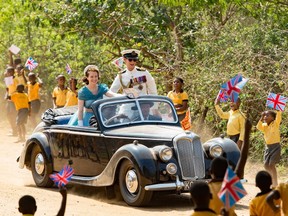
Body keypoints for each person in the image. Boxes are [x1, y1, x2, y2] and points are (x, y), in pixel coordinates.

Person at [256, 110, 281, 187]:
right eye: (264, 116)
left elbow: (279, 116)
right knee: (266, 165)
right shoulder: (264, 125)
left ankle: (275, 182)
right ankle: (271, 179)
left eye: (267, 116)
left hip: (276, 146)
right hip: (268, 147)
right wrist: (261, 117)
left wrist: (278, 111)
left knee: (271, 164)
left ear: (273, 118)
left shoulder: (276, 124)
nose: (265, 117)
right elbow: (258, 127)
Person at [5, 66, 19, 136]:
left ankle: (16, 131)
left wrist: (12, 95)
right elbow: (7, 88)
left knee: (14, 115)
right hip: (9, 100)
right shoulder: (8, 79)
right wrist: (7, 95)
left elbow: (18, 89)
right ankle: (14, 129)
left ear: (13, 72)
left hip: (14, 100)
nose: (7, 73)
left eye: (9, 72)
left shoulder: (16, 79)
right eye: (7, 72)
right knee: (9, 115)